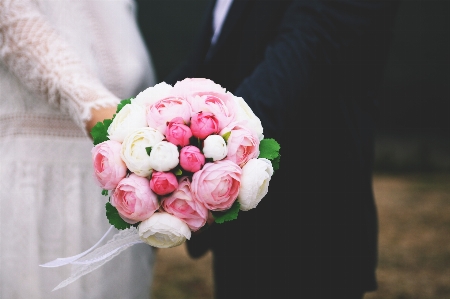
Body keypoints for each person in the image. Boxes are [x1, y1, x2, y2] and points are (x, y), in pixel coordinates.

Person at [165, 1, 400, 298]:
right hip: (239, 226)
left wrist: (193, 160)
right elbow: (208, 61)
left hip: (313, 229)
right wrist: (145, 130)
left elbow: (301, 51)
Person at [0, 0, 156, 298]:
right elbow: (46, 59)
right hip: (34, 195)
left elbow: (138, 80)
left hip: (111, 195)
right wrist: (158, 149)